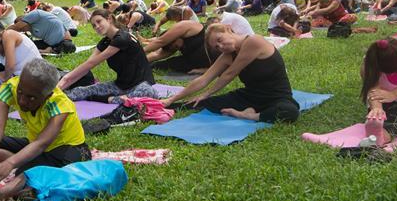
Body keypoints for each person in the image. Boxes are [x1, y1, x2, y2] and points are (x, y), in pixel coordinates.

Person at [0, 59, 89, 201]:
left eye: (31, 97)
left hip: (68, 149)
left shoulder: (59, 103)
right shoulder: (10, 87)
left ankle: (0, 194)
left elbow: (42, 143)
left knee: (31, 172)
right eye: (20, 92)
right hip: (35, 146)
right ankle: (23, 164)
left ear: (47, 95)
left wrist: (9, 164)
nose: (22, 100)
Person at [161, 24, 299, 123]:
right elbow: (204, 79)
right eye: (216, 47)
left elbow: (230, 74)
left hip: (276, 97)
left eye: (220, 40)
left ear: (228, 29)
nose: (221, 47)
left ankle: (250, 116)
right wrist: (170, 100)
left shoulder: (253, 41)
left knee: (289, 111)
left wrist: (206, 93)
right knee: (203, 103)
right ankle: (161, 107)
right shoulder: (228, 55)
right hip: (249, 97)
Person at [57, 9, 157, 106]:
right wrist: (60, 86)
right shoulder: (105, 42)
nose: (97, 26)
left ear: (109, 19)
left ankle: (109, 99)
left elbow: (91, 64)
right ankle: (55, 96)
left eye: (99, 21)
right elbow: (87, 65)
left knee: (144, 94)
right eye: (94, 25)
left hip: (141, 85)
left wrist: (65, 80)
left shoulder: (122, 38)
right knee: (81, 90)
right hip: (121, 85)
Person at [143, 19, 213, 74]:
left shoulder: (186, 26)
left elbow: (161, 41)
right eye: (176, 48)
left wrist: (140, 51)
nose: (178, 47)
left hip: (215, 57)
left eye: (175, 45)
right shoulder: (174, 44)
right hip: (193, 63)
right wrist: (139, 60)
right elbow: (157, 54)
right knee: (158, 65)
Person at [7, 9, 75, 54]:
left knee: (69, 47)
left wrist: (4, 33)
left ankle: (50, 50)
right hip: (49, 44)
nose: (21, 29)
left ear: (25, 20)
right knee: (30, 45)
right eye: (21, 30)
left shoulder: (35, 14)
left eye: (21, 27)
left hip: (63, 40)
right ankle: (51, 49)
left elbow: (15, 27)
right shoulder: (32, 30)